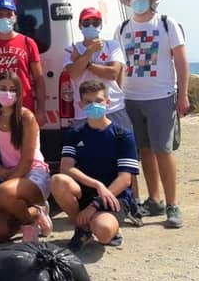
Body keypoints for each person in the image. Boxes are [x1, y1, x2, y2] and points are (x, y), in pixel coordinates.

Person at [114, 0, 189, 228]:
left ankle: (172, 205)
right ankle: (154, 200)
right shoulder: (123, 28)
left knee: (163, 151)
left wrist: (183, 95)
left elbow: (181, 60)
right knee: (144, 151)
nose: (137, 0)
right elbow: (119, 65)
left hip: (161, 97)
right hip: (130, 98)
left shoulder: (167, 24)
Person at [51, 80, 140, 251]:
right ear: (81, 104)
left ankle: (104, 225)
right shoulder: (74, 134)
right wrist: (97, 185)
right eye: (88, 102)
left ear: (107, 102)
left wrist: (95, 205)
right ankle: (82, 228)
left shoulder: (123, 136)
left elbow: (125, 179)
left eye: (98, 101)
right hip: (86, 193)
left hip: (114, 197)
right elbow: (66, 168)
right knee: (58, 180)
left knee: (104, 231)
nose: (94, 105)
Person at [0, 71, 52, 243]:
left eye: (12, 89)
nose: (7, 93)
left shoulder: (26, 117)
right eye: (3, 88)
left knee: (3, 192)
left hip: (33, 174)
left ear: (19, 93)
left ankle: (30, 225)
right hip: (7, 176)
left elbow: (27, 160)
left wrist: (5, 184)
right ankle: (36, 212)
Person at [0, 0, 47, 131]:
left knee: (27, 150)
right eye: (0, 15)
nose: (4, 18)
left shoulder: (28, 43)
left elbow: (39, 78)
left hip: (24, 110)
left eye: (9, 14)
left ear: (15, 17)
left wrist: (41, 109)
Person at [63, 8, 133, 131]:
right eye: (86, 23)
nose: (91, 26)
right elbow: (74, 74)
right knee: (88, 150)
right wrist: (90, 51)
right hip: (84, 111)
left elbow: (112, 74)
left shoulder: (112, 46)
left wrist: (83, 61)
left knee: (120, 148)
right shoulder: (71, 49)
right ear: (80, 25)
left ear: (100, 25)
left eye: (95, 23)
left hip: (113, 108)